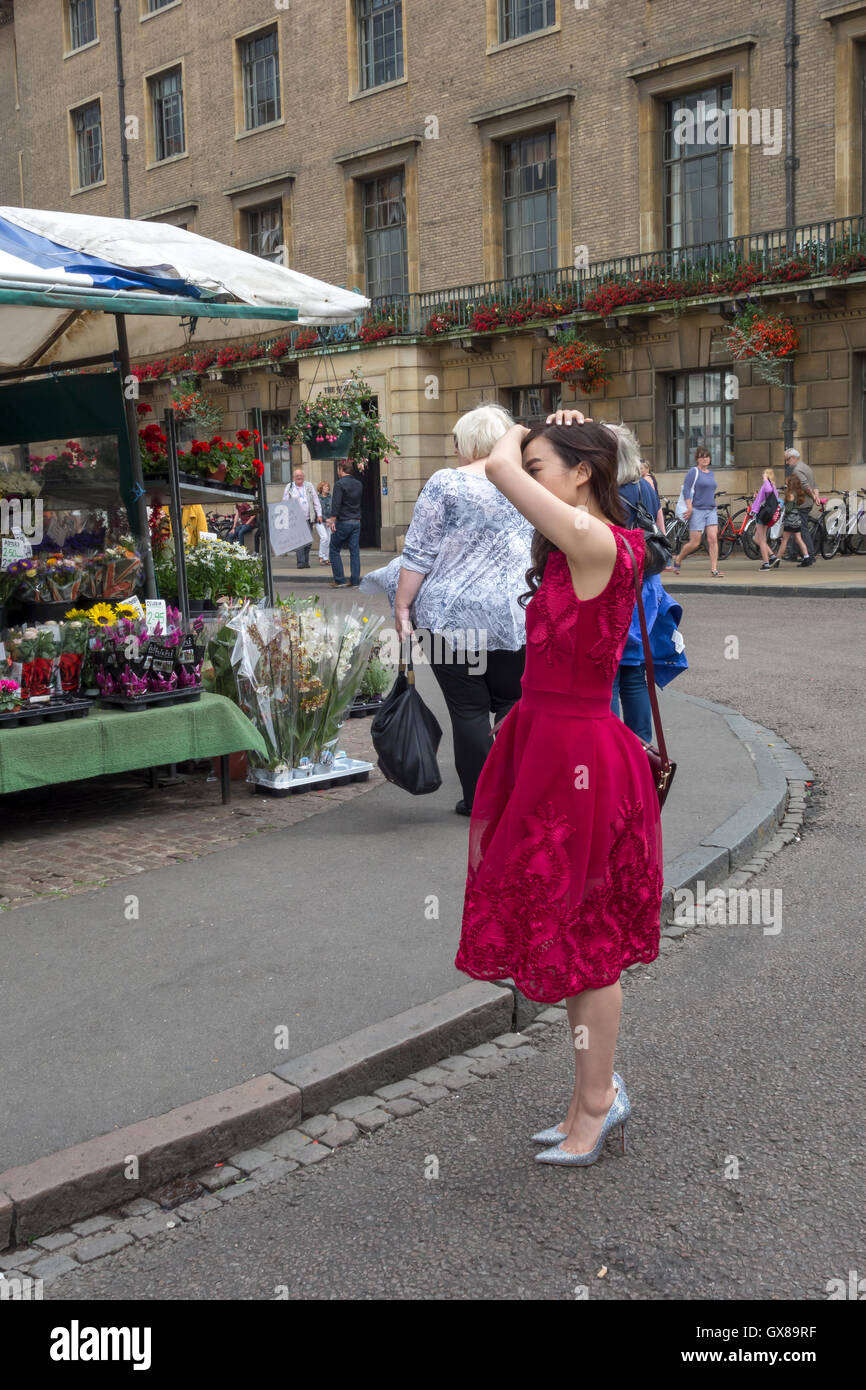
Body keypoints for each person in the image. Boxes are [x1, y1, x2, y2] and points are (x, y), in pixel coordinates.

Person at [454, 409, 662, 1165]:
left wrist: (518, 428)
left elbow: (498, 469)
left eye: (546, 465)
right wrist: (543, 431)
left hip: (576, 754)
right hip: (550, 745)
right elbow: (504, 474)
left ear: (581, 472)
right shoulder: (578, 543)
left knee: (591, 944)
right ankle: (590, 1095)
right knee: (576, 936)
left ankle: (599, 1104)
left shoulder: (595, 539)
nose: (526, 475)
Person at [361, 403, 532, 815]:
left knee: (468, 710)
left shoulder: (446, 483)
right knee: (514, 703)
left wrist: (402, 607)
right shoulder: (528, 482)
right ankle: (514, 794)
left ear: (468, 443)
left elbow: (418, 553)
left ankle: (479, 800)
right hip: (517, 613)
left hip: (451, 618)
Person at [611, 426, 687, 742]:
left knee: (608, 680)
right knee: (634, 673)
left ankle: (610, 756)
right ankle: (642, 753)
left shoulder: (603, 492)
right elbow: (658, 531)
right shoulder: (645, 486)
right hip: (644, 587)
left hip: (615, 589)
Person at [672, 445, 724, 577]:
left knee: (713, 539)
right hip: (697, 510)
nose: (705, 459)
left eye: (707, 457)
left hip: (711, 509)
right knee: (695, 542)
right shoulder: (693, 472)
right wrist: (689, 507)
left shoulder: (711, 473)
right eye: (702, 457)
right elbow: (686, 490)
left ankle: (714, 569)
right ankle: (679, 558)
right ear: (697, 459)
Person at [328, 460, 363, 587]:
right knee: (354, 552)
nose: (338, 472)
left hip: (343, 521)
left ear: (342, 469)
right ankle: (355, 581)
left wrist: (332, 520)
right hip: (356, 521)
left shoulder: (339, 484)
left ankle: (340, 580)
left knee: (334, 549)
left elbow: (336, 503)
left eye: (338, 470)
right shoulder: (359, 484)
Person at [781, 448, 819, 563]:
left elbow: (805, 486)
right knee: (795, 529)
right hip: (807, 502)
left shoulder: (797, 470)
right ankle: (793, 554)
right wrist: (816, 497)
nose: (787, 463)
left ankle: (810, 555)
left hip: (802, 503)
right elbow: (815, 485)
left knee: (802, 530)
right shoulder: (806, 467)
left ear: (793, 458)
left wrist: (813, 497)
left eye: (787, 460)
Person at [282, 467, 322, 568]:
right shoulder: (289, 487)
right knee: (299, 540)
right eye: (297, 476)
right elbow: (284, 502)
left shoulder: (309, 486)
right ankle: (301, 562)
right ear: (294, 477)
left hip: (308, 517)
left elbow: (316, 501)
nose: (299, 477)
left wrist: (319, 514)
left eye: (300, 475)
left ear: (303, 477)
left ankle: (306, 561)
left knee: (308, 541)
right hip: (296, 518)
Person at [749, 469, 782, 569]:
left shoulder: (768, 485)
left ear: (767, 475)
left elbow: (768, 490)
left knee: (762, 540)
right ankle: (772, 556)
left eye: (764, 473)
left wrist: (765, 479)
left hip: (762, 514)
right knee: (756, 538)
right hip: (766, 514)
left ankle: (766, 563)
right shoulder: (773, 487)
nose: (762, 475)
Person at [777, 473, 812, 565]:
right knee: (798, 539)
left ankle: (777, 560)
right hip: (797, 519)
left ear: (790, 484)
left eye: (786, 483)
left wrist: (783, 506)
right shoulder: (798, 494)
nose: (785, 484)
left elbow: (788, 509)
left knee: (784, 540)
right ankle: (807, 557)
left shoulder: (790, 495)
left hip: (790, 521)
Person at [316, 481, 332, 564]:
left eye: (328, 486)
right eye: (326, 487)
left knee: (328, 539)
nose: (327, 488)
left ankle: (326, 558)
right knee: (324, 537)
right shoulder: (317, 498)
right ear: (321, 488)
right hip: (320, 521)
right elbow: (318, 511)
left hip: (329, 521)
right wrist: (326, 520)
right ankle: (321, 556)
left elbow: (333, 509)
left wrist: (331, 520)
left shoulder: (330, 497)